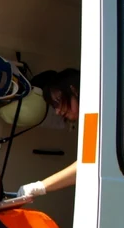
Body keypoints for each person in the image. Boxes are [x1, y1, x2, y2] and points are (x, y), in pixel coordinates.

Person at [17, 68, 80, 197]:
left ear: (74, 90)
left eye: (57, 102)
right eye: (54, 107)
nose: (57, 112)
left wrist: (40, 186)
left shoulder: (95, 118)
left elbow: (87, 165)